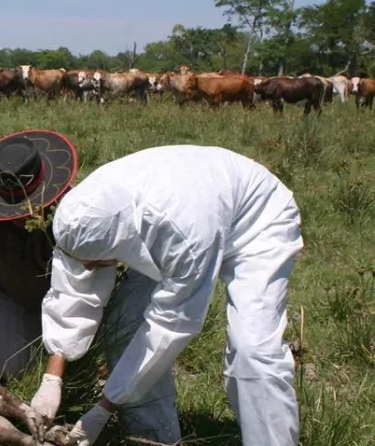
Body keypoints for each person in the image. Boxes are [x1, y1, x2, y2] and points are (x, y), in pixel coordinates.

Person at [0, 131, 181, 444]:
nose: (20, 219)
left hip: (82, 299)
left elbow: (81, 293)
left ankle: (94, 382)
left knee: (95, 351)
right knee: (14, 371)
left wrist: (53, 376)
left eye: (28, 211)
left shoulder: (75, 212)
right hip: (14, 295)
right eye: (11, 212)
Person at [29, 144, 303, 446]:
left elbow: (169, 328)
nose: (91, 268)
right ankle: (154, 436)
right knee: (126, 324)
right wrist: (52, 378)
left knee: (252, 351)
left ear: (122, 243)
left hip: (254, 220)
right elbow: (73, 287)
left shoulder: (182, 237)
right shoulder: (84, 211)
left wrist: (103, 408)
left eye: (97, 262)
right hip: (188, 205)